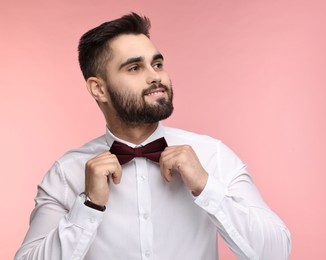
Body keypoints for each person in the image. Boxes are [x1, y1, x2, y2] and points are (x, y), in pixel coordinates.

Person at [15, 13, 291, 260]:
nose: (155, 77)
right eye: (134, 68)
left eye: (157, 64)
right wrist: (88, 205)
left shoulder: (213, 155)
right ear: (98, 89)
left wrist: (206, 187)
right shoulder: (66, 173)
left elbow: (277, 253)